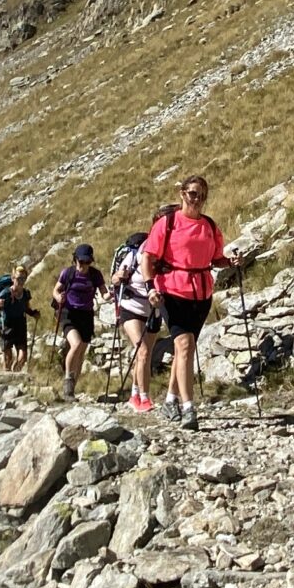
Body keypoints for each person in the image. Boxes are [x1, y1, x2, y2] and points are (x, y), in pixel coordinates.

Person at [140, 176, 245, 427]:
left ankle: (170, 400)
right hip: (172, 291)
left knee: (183, 351)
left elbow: (216, 258)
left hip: (201, 294)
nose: (196, 199)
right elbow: (148, 257)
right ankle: (189, 408)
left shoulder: (209, 226)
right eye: (192, 194)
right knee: (185, 346)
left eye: (201, 195)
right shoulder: (168, 223)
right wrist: (149, 288)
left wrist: (230, 262)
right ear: (182, 194)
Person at [112, 231, 160, 412]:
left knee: (143, 356)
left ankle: (134, 394)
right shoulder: (133, 256)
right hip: (130, 308)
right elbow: (115, 279)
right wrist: (121, 276)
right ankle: (144, 398)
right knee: (143, 352)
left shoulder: (166, 257)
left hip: (153, 310)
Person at [53, 243, 106, 400]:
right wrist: (58, 297)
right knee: (75, 345)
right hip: (69, 313)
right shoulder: (68, 273)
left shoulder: (95, 275)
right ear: (75, 259)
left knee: (81, 351)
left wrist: (112, 295)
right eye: (81, 262)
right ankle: (68, 382)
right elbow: (56, 290)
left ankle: (72, 390)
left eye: (87, 262)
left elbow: (104, 293)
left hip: (86, 315)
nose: (83, 265)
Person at [0, 261, 36, 373]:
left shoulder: (25, 294)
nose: (20, 281)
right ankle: (6, 378)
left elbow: (26, 308)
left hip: (20, 325)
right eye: (18, 278)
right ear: (12, 278)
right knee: (8, 357)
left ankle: (15, 376)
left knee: (23, 357)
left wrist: (33, 313)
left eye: (23, 279)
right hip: (6, 326)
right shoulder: (5, 294)